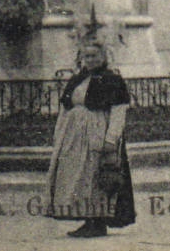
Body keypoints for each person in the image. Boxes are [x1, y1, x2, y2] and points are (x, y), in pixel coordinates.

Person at [44, 40, 135, 238]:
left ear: (103, 57)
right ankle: (87, 219)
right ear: (82, 58)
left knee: (95, 175)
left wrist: (111, 139)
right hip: (74, 135)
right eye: (87, 56)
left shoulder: (112, 79)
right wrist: (59, 135)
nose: (91, 60)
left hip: (98, 131)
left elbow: (118, 111)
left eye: (94, 56)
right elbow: (65, 110)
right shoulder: (77, 79)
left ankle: (98, 222)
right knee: (78, 176)